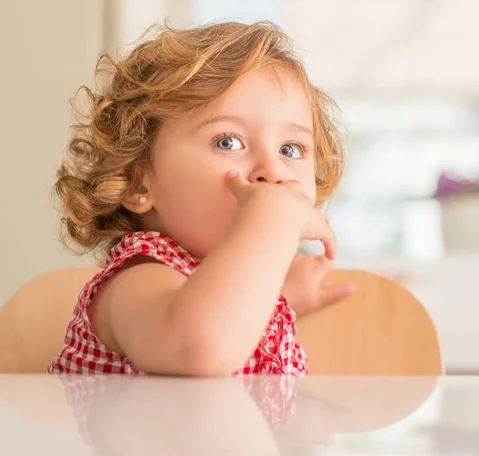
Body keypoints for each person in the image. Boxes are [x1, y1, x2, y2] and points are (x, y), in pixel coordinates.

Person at [47, 21, 354, 376]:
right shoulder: (139, 279)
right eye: (228, 142)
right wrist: (274, 216)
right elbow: (199, 349)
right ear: (136, 182)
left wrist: (276, 299)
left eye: (291, 148)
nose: (272, 170)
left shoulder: (234, 303)